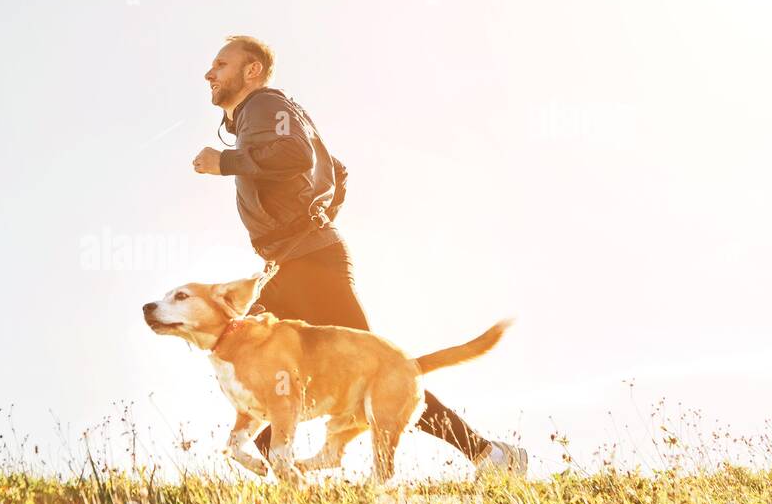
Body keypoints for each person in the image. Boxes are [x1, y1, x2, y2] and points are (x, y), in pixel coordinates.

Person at [191, 35, 528, 477]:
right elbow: (337, 169)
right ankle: (277, 470)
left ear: (251, 71)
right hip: (294, 261)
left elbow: (293, 156)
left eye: (221, 64)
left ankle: (490, 456)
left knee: (378, 370)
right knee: (251, 354)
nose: (209, 73)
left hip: (308, 262)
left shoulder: (263, 106)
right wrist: (313, 216)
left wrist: (227, 163)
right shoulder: (272, 115)